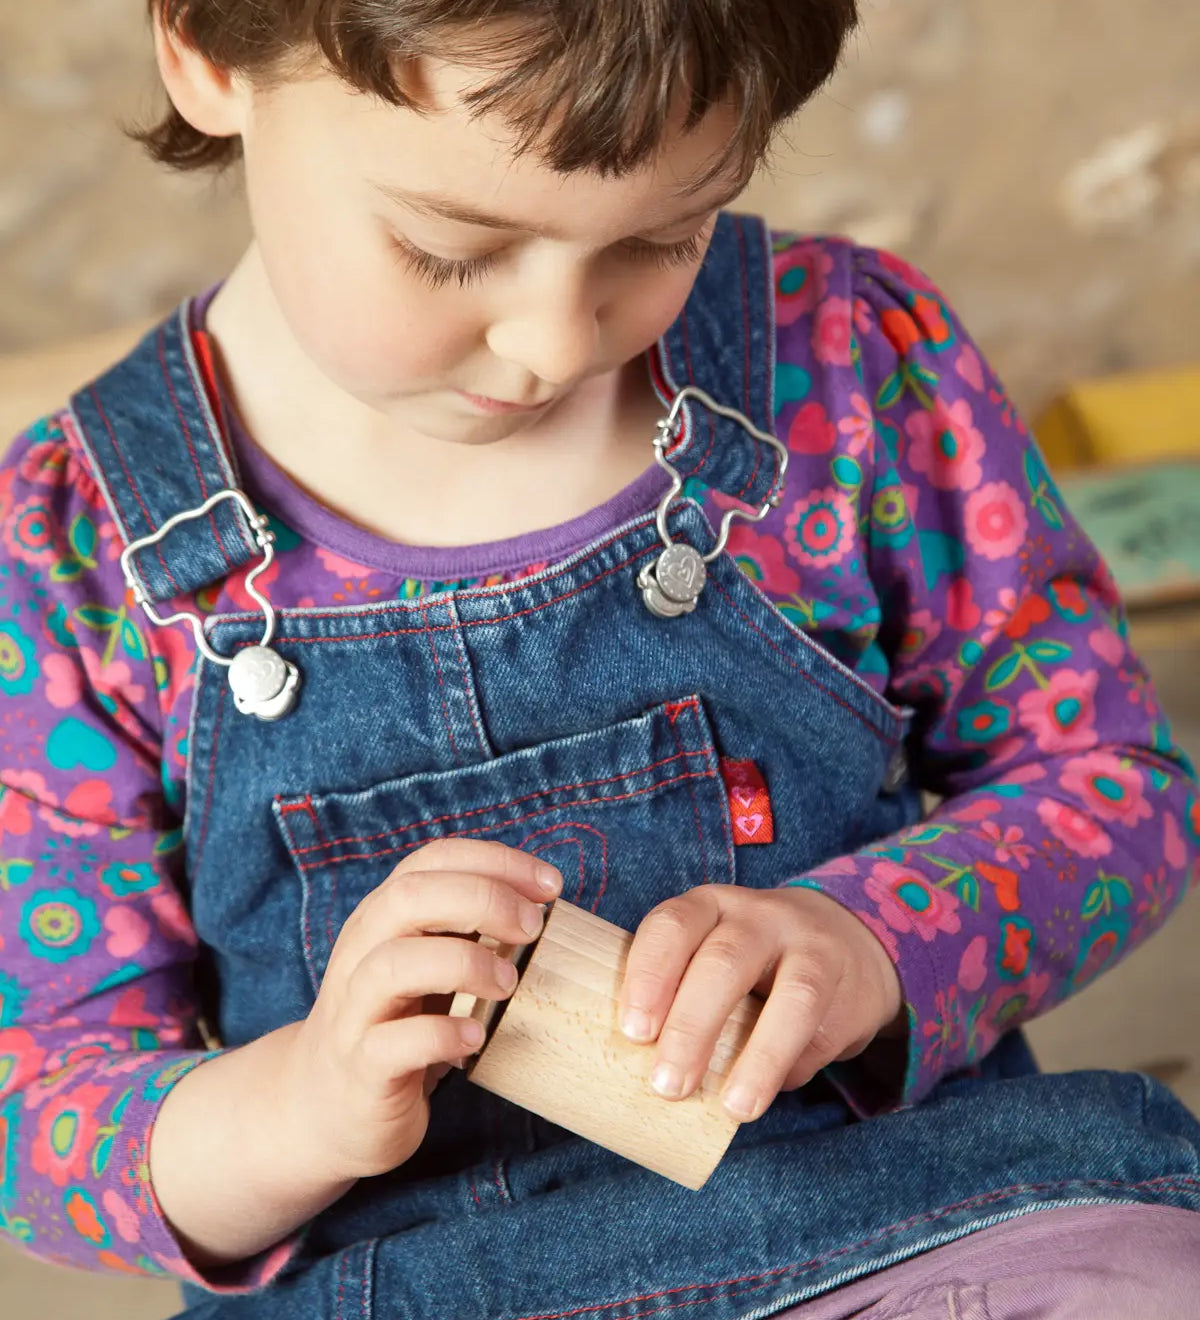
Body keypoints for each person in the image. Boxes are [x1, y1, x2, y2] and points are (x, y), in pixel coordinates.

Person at [1, 2, 1199, 1316]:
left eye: (659, 237)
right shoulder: (70, 558)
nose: (557, 345)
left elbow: (1113, 780)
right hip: (417, 1291)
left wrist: (864, 944)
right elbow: (45, 1104)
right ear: (208, 53)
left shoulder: (848, 368)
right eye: (449, 248)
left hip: (899, 1221)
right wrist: (304, 1104)